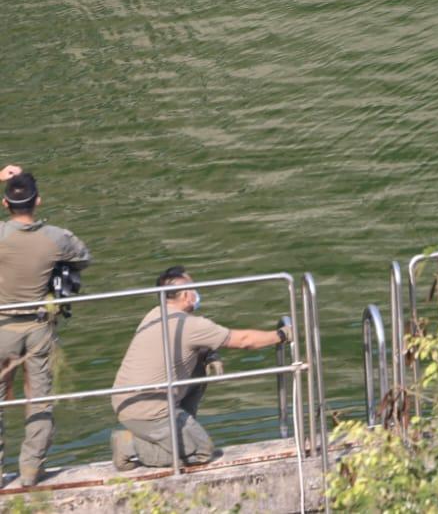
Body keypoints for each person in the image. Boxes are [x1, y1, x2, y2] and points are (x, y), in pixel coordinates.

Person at [109, 267, 290, 471]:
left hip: (125, 402)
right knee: (202, 452)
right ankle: (130, 446)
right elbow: (244, 341)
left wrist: (209, 355)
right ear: (186, 294)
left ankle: (180, 432)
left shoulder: (154, 315)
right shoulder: (191, 325)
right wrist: (282, 335)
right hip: (149, 412)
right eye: (194, 288)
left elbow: (182, 346)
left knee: (197, 363)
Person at [0, 171, 91, 488]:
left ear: (5, 203)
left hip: (1, 326)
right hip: (39, 327)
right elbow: (83, 257)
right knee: (39, 399)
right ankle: (30, 470)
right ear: (37, 201)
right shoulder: (56, 238)